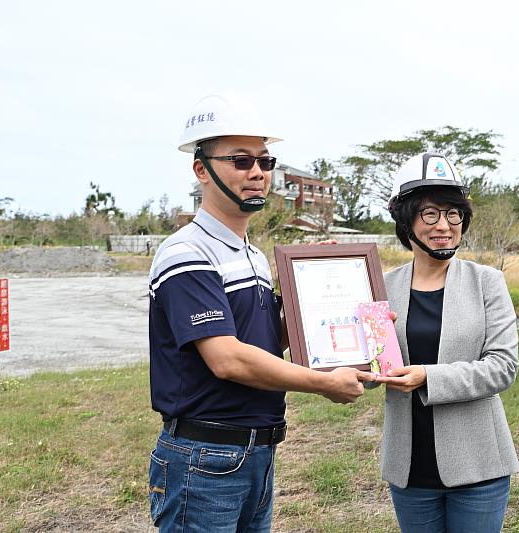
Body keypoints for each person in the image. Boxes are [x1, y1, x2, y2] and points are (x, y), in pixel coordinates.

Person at [146, 92, 373, 533]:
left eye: (265, 162)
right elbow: (228, 358)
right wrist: (322, 383)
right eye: (240, 160)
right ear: (201, 169)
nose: (257, 173)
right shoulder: (186, 253)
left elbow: (268, 341)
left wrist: (320, 290)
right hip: (205, 457)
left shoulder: (248, 254)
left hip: (257, 454)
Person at [373, 153, 519, 533]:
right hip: (410, 468)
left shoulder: (486, 282)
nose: (445, 225)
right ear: (406, 221)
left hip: (478, 464)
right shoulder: (382, 287)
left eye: (453, 214)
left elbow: (503, 367)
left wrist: (427, 377)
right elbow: (371, 367)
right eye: (431, 215)